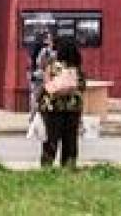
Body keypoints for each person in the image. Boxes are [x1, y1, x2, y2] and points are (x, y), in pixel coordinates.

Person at [37, 37, 85, 168]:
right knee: (70, 140)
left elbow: (46, 86)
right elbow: (82, 87)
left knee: (51, 138)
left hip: (52, 108)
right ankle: (69, 166)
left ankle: (47, 166)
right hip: (73, 109)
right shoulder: (78, 69)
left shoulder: (52, 67)